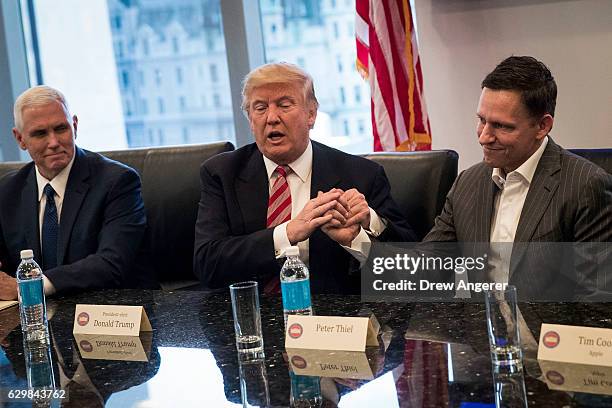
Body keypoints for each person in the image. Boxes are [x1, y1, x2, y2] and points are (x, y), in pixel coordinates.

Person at [194, 62, 415, 294]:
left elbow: (412, 269)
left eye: (284, 105)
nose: (271, 118)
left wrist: (358, 237)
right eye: (260, 108)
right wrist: (286, 234)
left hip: (330, 321)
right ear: (250, 119)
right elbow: (207, 264)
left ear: (311, 114)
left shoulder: (361, 175)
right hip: (250, 317)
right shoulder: (222, 173)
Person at [423, 56, 612, 299]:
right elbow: (427, 268)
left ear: (542, 126)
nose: (484, 137)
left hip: (547, 335)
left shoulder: (586, 186)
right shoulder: (467, 183)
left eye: (502, 126)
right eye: (482, 120)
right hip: (478, 333)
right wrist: (362, 238)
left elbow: (596, 301)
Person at [0, 85, 157, 300]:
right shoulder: (8, 191)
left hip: (112, 315)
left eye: (61, 128)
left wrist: (30, 287)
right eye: (40, 133)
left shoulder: (117, 182)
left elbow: (111, 263)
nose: (53, 142)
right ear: (20, 139)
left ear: (74, 125)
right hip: (38, 318)